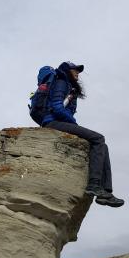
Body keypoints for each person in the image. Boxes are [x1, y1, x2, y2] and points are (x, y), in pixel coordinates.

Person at [41, 61, 124, 208]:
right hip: (52, 122)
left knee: (102, 145)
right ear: (67, 70)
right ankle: (93, 185)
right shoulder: (61, 82)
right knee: (98, 138)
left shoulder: (69, 87)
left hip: (57, 122)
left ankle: (105, 192)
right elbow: (57, 107)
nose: (78, 73)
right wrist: (73, 123)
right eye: (75, 70)